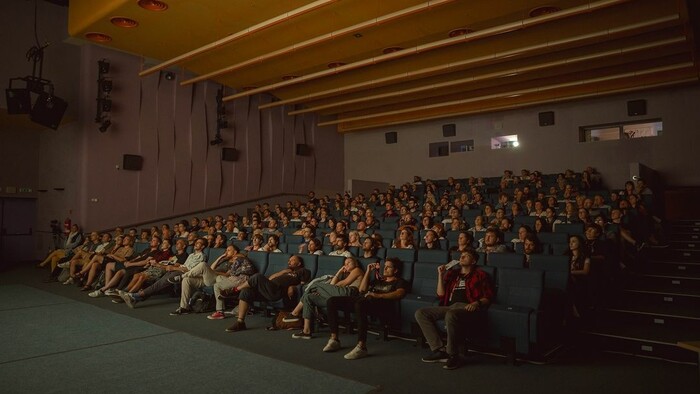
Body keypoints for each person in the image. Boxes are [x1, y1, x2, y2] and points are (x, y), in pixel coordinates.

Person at [415, 249, 494, 370]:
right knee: (421, 313)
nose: (461, 257)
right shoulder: (453, 274)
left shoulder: (480, 275)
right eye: (461, 255)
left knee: (451, 314)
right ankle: (439, 350)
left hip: (468, 308)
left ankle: (452, 354)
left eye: (466, 256)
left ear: (473, 261)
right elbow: (440, 294)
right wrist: (440, 275)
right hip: (450, 306)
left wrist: (476, 303)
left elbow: (488, 297)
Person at [321, 258, 408, 360]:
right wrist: (368, 271)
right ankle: (334, 339)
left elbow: (400, 293)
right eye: (384, 266)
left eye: (388, 267)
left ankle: (361, 347)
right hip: (363, 301)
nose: (385, 268)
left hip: (379, 306)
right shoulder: (378, 280)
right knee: (332, 301)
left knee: (359, 303)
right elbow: (362, 289)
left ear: (396, 270)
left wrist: (378, 295)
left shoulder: (399, 281)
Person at [225, 255, 311, 332]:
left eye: (292, 260)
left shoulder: (303, 271)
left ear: (299, 263)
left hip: (277, 291)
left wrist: (293, 287)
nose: (289, 261)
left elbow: (304, 284)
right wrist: (282, 272)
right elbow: (270, 278)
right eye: (289, 260)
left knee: (257, 276)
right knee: (246, 291)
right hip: (269, 289)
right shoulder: (286, 271)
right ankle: (240, 322)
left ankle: (234, 290)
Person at [284, 257, 365, 338]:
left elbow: (342, 284)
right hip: (339, 296)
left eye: (349, 262)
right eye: (345, 263)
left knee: (315, 285)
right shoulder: (346, 274)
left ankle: (295, 313)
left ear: (356, 264)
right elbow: (333, 284)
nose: (346, 265)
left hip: (349, 293)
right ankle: (306, 331)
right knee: (309, 297)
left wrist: (325, 289)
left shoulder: (357, 270)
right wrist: (340, 271)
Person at [118, 238, 207, 309]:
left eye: (199, 243)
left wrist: (173, 267)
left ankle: (135, 296)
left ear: (202, 247)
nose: (196, 244)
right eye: (196, 242)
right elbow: (183, 265)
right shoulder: (191, 255)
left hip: (185, 274)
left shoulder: (201, 256)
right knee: (159, 284)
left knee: (160, 283)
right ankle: (135, 298)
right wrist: (174, 268)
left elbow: (190, 270)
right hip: (177, 270)